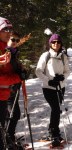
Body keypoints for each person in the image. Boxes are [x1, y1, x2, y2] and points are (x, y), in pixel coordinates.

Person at [35, 34, 70, 147]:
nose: (56, 44)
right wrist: (48, 81)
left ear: (61, 44)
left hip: (60, 87)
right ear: (50, 43)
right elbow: (38, 71)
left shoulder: (63, 56)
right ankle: (54, 133)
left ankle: (53, 131)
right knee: (55, 109)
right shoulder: (46, 55)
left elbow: (67, 71)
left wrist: (62, 77)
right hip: (48, 88)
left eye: (58, 42)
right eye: (54, 42)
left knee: (56, 109)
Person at [0, 17, 22, 149]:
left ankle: (9, 139)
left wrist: (20, 73)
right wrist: (17, 77)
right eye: (5, 29)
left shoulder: (6, 51)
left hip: (5, 95)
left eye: (10, 29)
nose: (9, 33)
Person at [6, 31, 28, 144]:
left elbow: (15, 69)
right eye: (12, 39)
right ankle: (7, 139)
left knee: (14, 114)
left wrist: (22, 71)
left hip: (14, 89)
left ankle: (9, 137)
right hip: (6, 90)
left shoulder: (14, 53)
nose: (14, 42)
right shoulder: (5, 53)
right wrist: (17, 76)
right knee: (11, 115)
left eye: (17, 40)